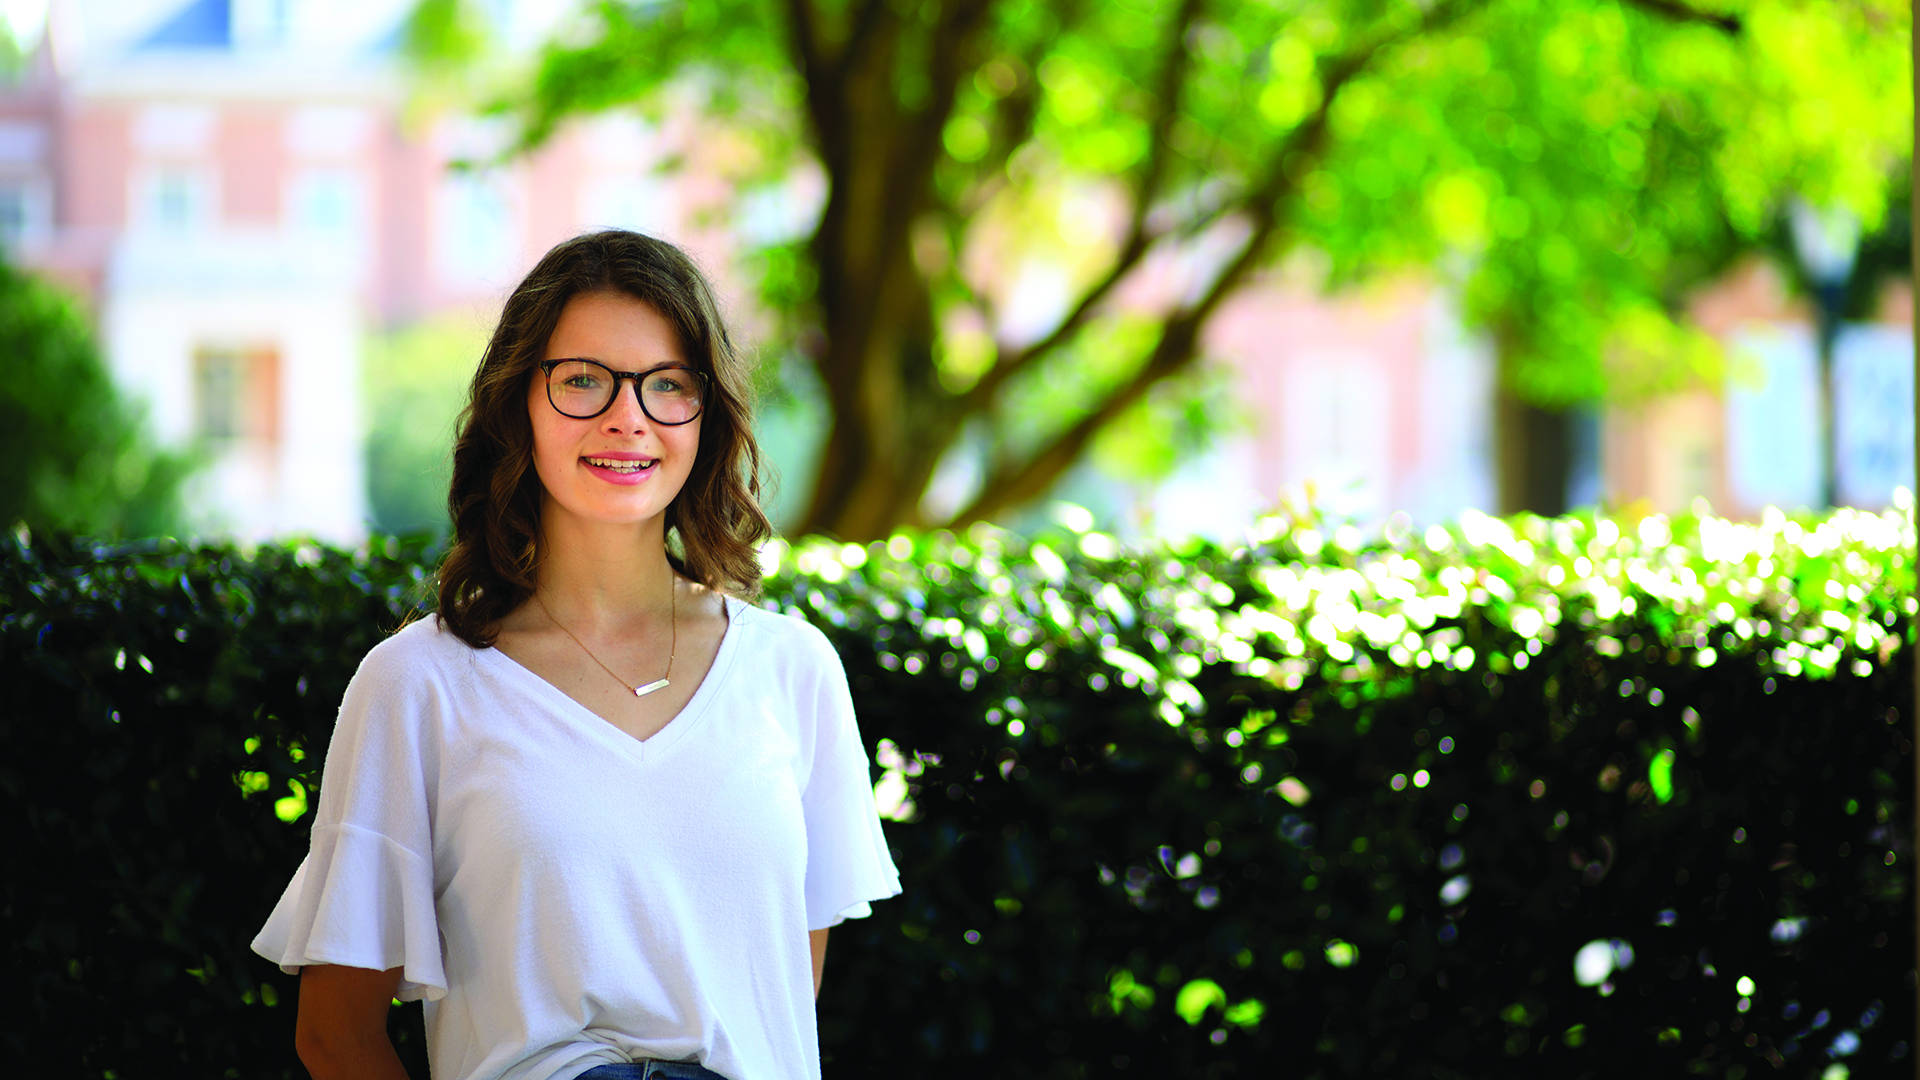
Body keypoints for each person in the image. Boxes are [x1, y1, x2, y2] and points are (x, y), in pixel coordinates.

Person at [252, 230, 901, 1080]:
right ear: (519, 401)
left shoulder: (792, 671)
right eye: (584, 380)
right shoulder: (418, 686)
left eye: (667, 384)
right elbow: (335, 1036)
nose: (627, 416)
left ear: (706, 416)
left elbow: (780, 993)